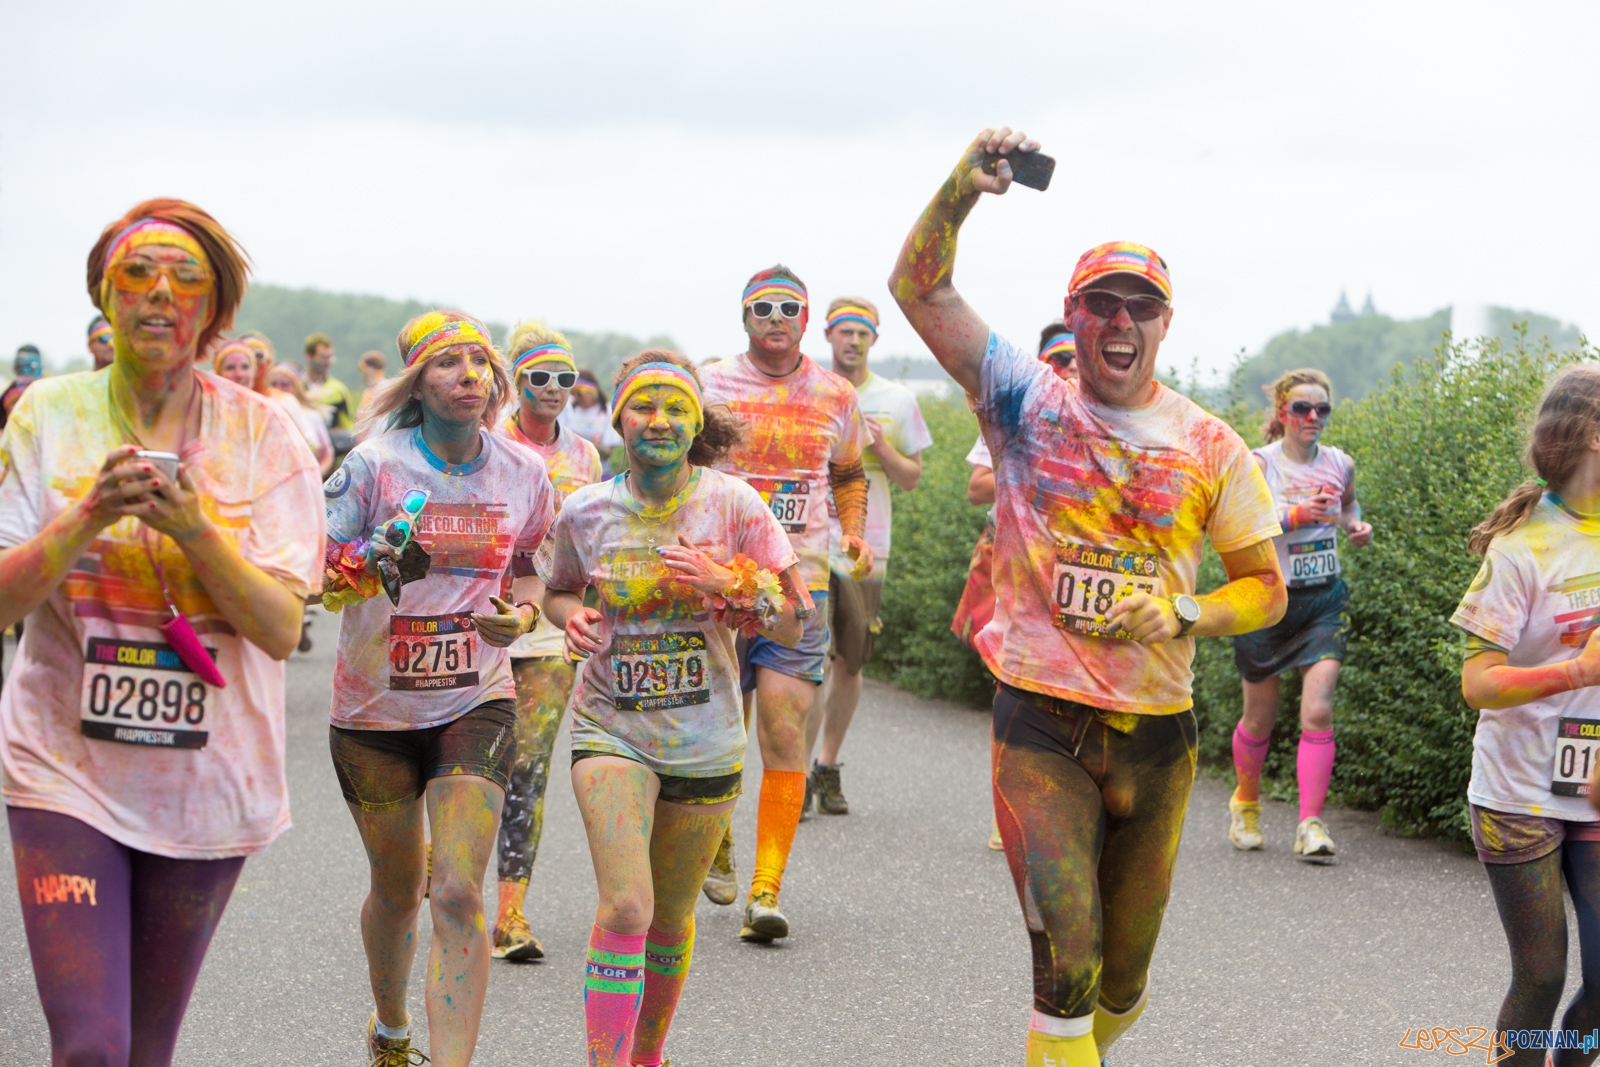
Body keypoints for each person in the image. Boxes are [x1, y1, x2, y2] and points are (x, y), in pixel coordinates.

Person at [891, 128, 1286, 1067]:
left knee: (1120, 982)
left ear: (1163, 323)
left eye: (1138, 307)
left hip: (1158, 732)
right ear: (1071, 318)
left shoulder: (1211, 445)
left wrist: (1188, 610)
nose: (1119, 321)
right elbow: (921, 289)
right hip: (1040, 718)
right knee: (1064, 954)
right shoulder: (1026, 399)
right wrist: (960, 192)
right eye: (1100, 304)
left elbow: (1266, 591)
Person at [0, 198, 324, 1066]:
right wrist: (86, 516)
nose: (159, 295)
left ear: (214, 311)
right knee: (92, 1049)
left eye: (186, 279)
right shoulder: (46, 416)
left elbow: (281, 626)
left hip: (208, 780)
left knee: (145, 1051)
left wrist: (194, 530)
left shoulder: (266, 435)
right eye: (136, 275)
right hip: (61, 766)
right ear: (103, 298)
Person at [539, 350, 808, 1067]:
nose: (658, 421)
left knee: (671, 919)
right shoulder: (586, 509)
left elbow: (793, 619)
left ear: (695, 422)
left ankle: (647, 1055)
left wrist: (728, 580)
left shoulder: (733, 504)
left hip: (706, 736)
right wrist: (570, 617)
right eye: (643, 407)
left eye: (674, 408)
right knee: (628, 905)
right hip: (611, 726)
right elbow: (559, 588)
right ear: (618, 418)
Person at [325, 310, 555, 1067]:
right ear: (416, 383)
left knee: (457, 890)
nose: (469, 376)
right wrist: (370, 555)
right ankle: (391, 1028)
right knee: (398, 890)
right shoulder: (373, 466)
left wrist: (519, 614)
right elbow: (312, 564)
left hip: (476, 700)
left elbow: (530, 567)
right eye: (447, 363)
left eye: (479, 363)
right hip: (373, 710)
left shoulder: (524, 472)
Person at [697, 266, 872, 942]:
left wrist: (851, 529)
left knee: (783, 728)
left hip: (801, 582)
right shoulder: (711, 384)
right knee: (719, 729)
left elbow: (849, 473)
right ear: (745, 319)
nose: (775, 317)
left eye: (788, 308)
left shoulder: (834, 393)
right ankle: (715, 840)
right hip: (719, 581)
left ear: (805, 321)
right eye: (762, 307)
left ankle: (766, 890)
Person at [1454, 365, 1600, 1067]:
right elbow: (1477, 682)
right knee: (1541, 976)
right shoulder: (1524, 547)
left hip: (1598, 787)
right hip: (1518, 792)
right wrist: (1575, 671)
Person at [488, 321, 604, 961]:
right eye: (540, 378)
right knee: (466, 761)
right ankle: (434, 852)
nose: (555, 389)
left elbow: (585, 540)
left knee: (527, 767)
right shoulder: (488, 442)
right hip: (478, 619)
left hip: (547, 626)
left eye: (566, 378)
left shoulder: (584, 455)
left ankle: (510, 916)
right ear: (517, 385)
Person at [1228, 369, 1372, 858]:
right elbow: (1239, 530)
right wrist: (1295, 516)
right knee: (1259, 719)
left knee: (1318, 708)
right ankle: (1246, 803)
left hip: (1322, 603)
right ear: (1282, 414)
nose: (1314, 417)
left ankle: (1310, 823)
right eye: (1302, 409)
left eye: (1323, 410)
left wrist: (1356, 527)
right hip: (1268, 602)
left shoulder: (1341, 464)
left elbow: (1350, 507)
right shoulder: (1258, 464)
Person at [802, 296, 931, 816]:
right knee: (808, 661)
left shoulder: (896, 400)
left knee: (850, 664)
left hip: (867, 550)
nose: (852, 342)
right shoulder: (810, 392)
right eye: (844, 332)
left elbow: (911, 478)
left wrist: (877, 446)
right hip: (809, 546)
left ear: (874, 340)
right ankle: (799, 772)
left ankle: (826, 765)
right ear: (828, 336)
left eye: (862, 334)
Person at [265, 363, 337, 477]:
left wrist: (316, 476)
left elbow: (327, 453)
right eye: (274, 384)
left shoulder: (312, 417)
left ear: (297, 388)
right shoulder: (264, 416)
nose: (278, 389)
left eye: (285, 384)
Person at [303, 331, 358, 457]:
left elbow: (347, 427)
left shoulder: (338, 390)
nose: (328, 362)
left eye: (330, 357)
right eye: (323, 357)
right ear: (309, 356)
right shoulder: (296, 386)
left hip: (329, 456)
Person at [560, 367, 624, 471]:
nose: (576, 397)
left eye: (580, 392)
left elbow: (607, 453)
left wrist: (595, 447)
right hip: (570, 469)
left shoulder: (607, 412)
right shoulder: (568, 409)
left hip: (598, 471)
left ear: (592, 391)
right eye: (573, 392)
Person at [2, 344, 44, 430]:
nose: (25, 371)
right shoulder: (7, 393)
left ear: (40, 370)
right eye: (20, 366)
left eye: (33, 367)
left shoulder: (47, 396)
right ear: (13, 368)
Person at [358, 349, 388, 417]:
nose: (361, 373)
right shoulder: (369, 391)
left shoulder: (383, 390)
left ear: (370, 370)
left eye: (361, 368)